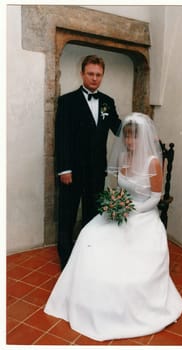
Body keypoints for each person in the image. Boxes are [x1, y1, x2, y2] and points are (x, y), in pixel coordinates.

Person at [45, 112, 182, 341]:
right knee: (89, 234)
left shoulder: (153, 162)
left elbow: (155, 197)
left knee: (122, 252)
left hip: (142, 215)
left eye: (135, 138)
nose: (130, 142)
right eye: (127, 137)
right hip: (121, 210)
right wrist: (115, 203)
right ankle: (86, 300)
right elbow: (120, 188)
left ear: (144, 139)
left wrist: (132, 210)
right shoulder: (122, 159)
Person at [55, 55, 121, 270]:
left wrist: (142, 130)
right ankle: (65, 261)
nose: (94, 78)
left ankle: (87, 257)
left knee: (92, 215)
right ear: (82, 74)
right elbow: (62, 138)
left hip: (96, 171)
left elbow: (118, 128)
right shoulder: (67, 101)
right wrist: (64, 169)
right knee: (68, 214)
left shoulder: (108, 102)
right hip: (72, 171)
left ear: (102, 76)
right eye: (90, 74)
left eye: (98, 75)